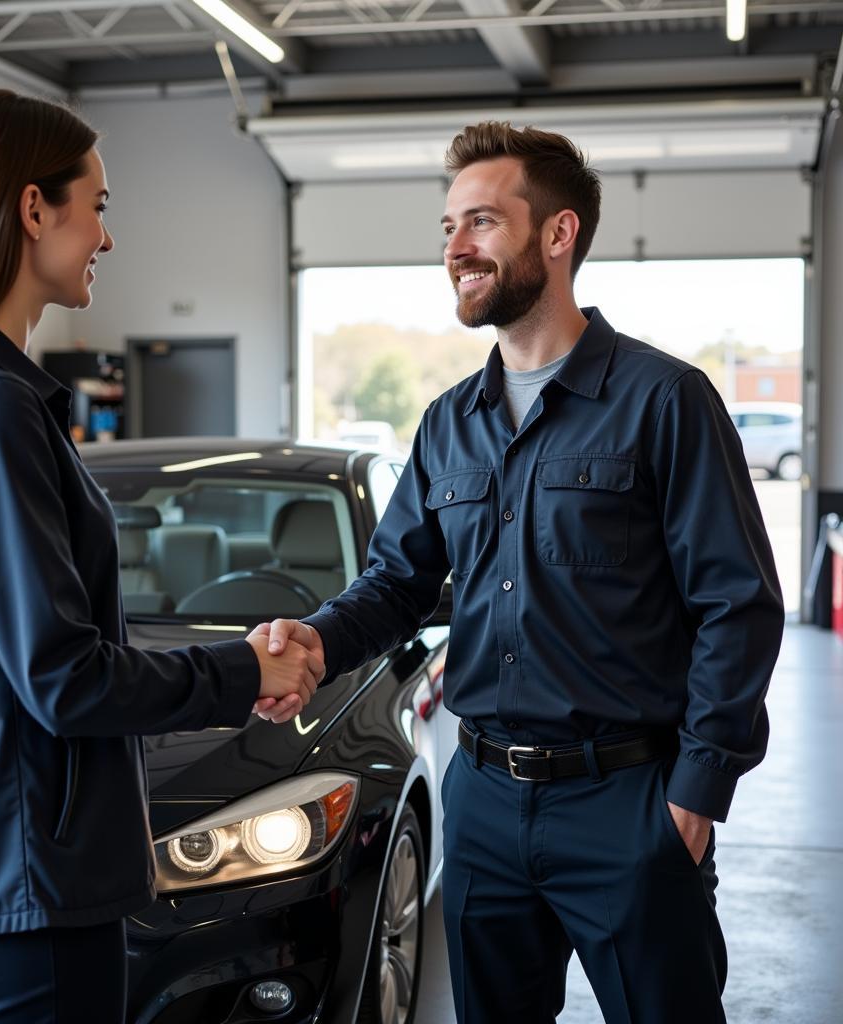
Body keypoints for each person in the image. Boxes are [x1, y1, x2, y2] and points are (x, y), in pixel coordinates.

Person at [256, 121, 784, 1023]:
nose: (456, 248)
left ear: (558, 233)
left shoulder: (664, 401)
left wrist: (696, 796)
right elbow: (396, 583)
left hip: (630, 801)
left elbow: (739, 604)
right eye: (448, 227)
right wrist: (314, 640)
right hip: (487, 801)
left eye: (482, 223)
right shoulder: (447, 423)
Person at [0, 89, 320, 1024]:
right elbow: (63, 677)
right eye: (98, 205)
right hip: (23, 896)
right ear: (31, 208)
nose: (107, 236)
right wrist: (242, 669)